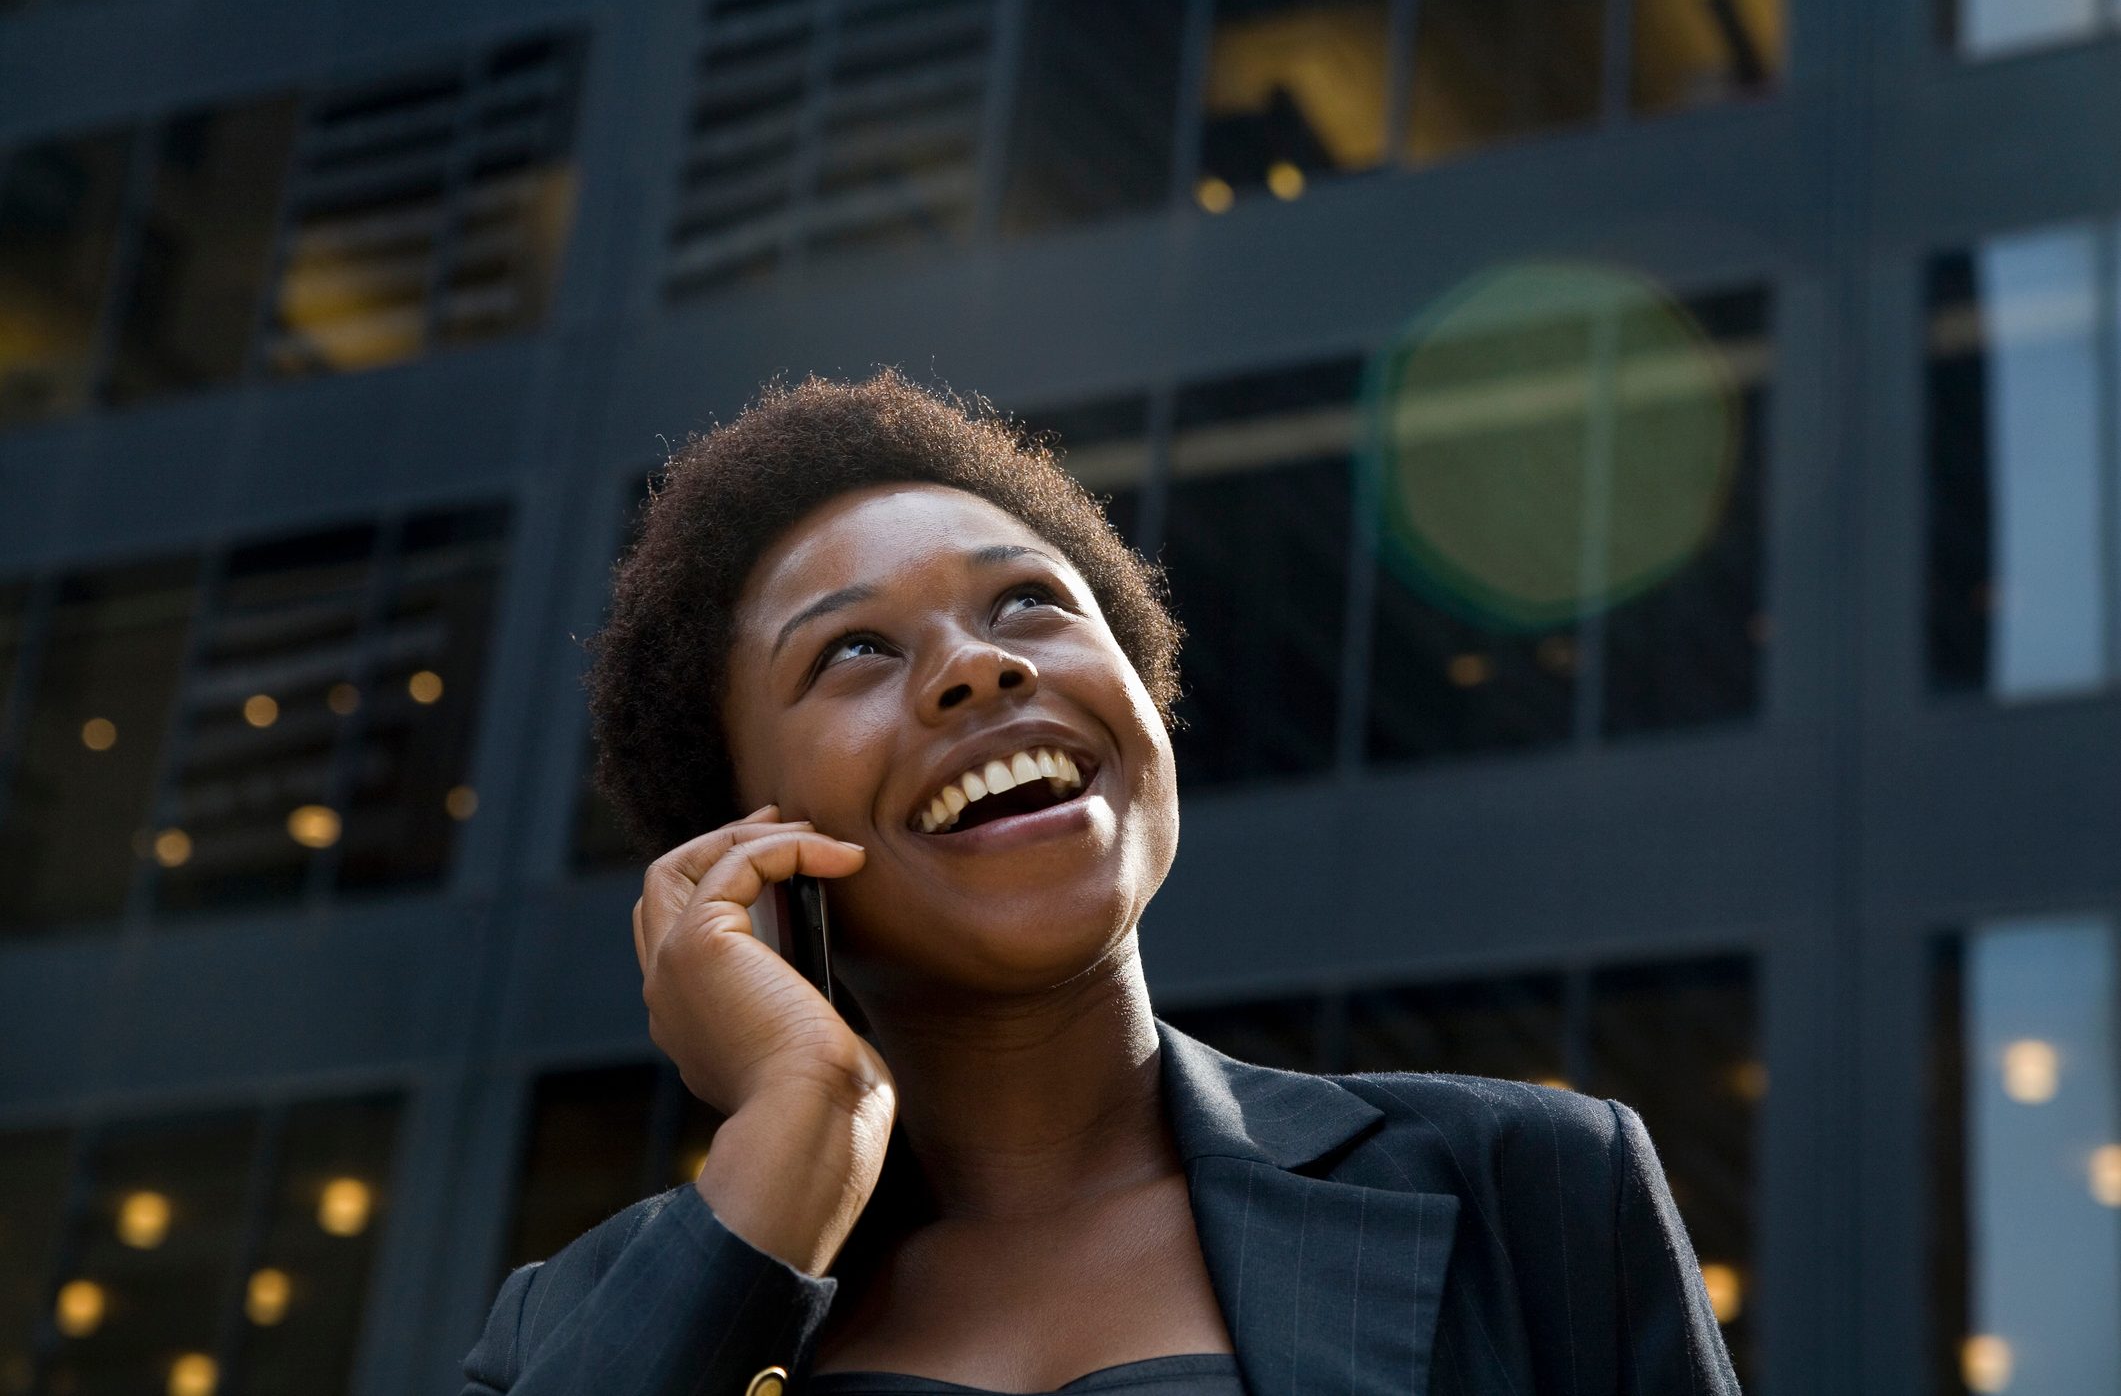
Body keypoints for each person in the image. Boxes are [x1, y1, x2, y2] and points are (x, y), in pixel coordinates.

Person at [460, 371, 1742, 1395]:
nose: (979, 668)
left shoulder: (1528, 1191)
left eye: (1027, 603)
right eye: (854, 649)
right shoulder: (570, 1328)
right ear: (747, 834)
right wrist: (801, 1121)